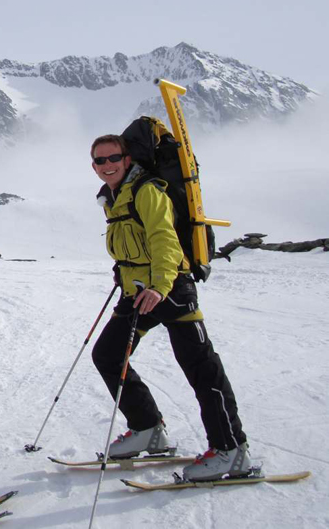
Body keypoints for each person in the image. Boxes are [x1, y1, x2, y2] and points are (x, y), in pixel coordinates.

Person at [89, 134, 251, 481]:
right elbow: (133, 241)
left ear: (127, 158)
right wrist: (124, 270)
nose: (107, 165)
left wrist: (161, 286)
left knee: (201, 368)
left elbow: (164, 238)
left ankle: (231, 450)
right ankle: (148, 428)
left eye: (113, 157)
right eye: (100, 161)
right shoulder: (114, 198)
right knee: (107, 355)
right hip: (138, 292)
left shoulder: (147, 191)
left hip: (170, 289)